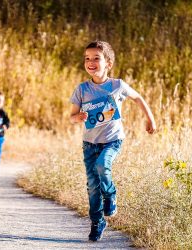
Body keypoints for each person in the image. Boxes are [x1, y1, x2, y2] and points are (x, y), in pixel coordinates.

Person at [70, 41, 156, 242]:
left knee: (103, 166)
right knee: (92, 186)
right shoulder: (82, 89)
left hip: (112, 140)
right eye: (87, 58)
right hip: (89, 144)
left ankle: (110, 194)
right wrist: (78, 117)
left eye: (96, 58)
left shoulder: (117, 85)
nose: (91, 62)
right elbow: (72, 116)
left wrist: (150, 118)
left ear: (108, 63)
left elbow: (138, 98)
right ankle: (97, 221)